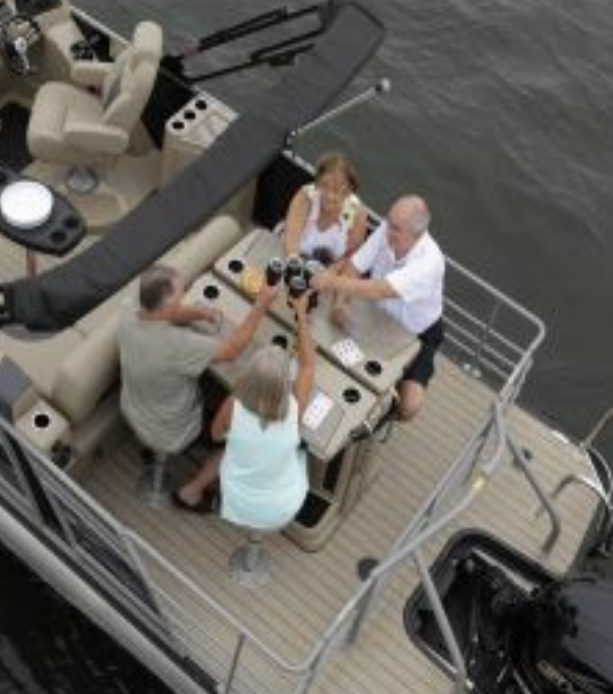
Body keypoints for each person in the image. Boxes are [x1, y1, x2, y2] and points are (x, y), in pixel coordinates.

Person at [118, 264, 278, 510]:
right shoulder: (177, 344)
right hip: (172, 429)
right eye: (181, 295)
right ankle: (190, 493)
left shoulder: (128, 308)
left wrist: (200, 313)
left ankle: (154, 451)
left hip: (134, 405)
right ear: (168, 305)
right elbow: (232, 350)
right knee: (245, 435)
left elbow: (166, 314)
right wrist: (261, 305)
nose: (184, 297)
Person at [314, 194, 444, 423]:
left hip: (415, 334)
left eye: (396, 228)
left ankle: (380, 418)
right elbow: (355, 266)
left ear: (417, 235)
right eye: (389, 221)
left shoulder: (429, 263)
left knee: (409, 406)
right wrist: (340, 302)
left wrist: (331, 282)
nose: (387, 230)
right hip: (373, 313)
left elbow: (380, 290)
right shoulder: (387, 229)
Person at [209, 292, 317, 531]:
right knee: (303, 453)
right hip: (281, 508)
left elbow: (215, 436)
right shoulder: (294, 410)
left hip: (235, 498)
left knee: (232, 451)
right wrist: (301, 314)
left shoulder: (233, 404)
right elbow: (309, 365)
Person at [280, 152, 368, 266]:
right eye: (325, 185)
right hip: (288, 256)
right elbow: (291, 241)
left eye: (337, 190)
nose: (329, 195)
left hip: (328, 270)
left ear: (349, 192)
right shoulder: (306, 197)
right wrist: (294, 266)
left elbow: (350, 259)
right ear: (317, 182)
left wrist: (326, 274)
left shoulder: (357, 213)